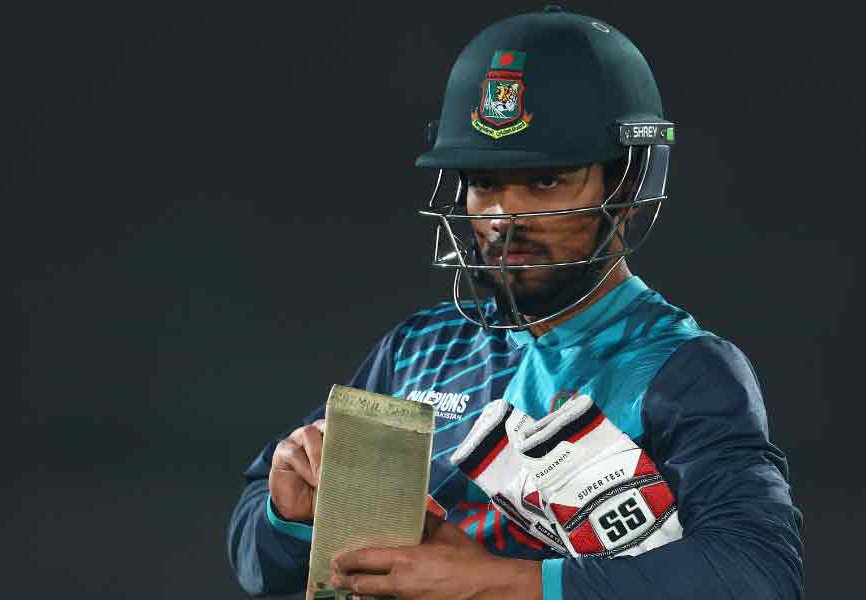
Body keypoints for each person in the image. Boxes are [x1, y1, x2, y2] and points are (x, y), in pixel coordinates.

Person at [227, 6, 804, 599]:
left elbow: (760, 577)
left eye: (545, 181)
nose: (505, 217)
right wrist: (288, 514)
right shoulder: (419, 349)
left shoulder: (682, 370)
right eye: (485, 184)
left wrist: (495, 584)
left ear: (626, 186)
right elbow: (256, 557)